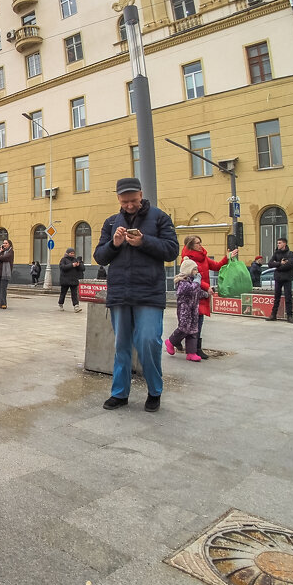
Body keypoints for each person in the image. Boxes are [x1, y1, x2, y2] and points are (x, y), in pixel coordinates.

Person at [93, 177, 180, 413]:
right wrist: (114, 244)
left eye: (133, 200)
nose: (130, 205)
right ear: (118, 199)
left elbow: (172, 250)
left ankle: (154, 391)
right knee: (121, 344)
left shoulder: (160, 218)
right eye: (124, 202)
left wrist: (144, 241)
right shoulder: (111, 222)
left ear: (141, 194)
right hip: (120, 292)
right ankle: (119, 393)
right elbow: (99, 256)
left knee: (148, 341)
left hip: (149, 291)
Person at [179, 235, 236, 358]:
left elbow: (216, 266)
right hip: (193, 294)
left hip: (203, 294)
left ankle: (186, 344)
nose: (200, 245)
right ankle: (192, 348)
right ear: (191, 245)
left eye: (200, 242)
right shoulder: (187, 260)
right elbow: (191, 277)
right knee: (194, 323)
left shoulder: (203, 257)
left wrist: (228, 257)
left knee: (197, 322)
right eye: (197, 243)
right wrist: (207, 286)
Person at [165, 257, 209, 362]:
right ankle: (170, 341)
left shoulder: (193, 281)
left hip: (193, 310)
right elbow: (190, 290)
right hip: (185, 310)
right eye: (194, 269)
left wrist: (205, 294)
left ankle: (191, 353)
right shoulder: (182, 281)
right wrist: (197, 282)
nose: (197, 272)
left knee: (193, 331)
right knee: (184, 328)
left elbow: (197, 292)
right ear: (188, 270)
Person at [267, 238, 293, 323]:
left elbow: (290, 264)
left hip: (287, 278)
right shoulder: (276, 253)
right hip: (278, 278)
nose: (278, 244)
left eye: (279, 243)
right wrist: (279, 263)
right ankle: (273, 315)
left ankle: (289, 316)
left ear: (284, 244)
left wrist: (278, 267)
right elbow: (270, 264)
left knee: (288, 297)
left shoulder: (290, 253)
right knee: (276, 297)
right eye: (278, 243)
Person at [58, 247, 85, 312]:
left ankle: (76, 306)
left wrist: (79, 265)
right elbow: (62, 267)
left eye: (73, 253)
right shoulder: (63, 260)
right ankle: (61, 304)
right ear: (67, 253)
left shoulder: (75, 260)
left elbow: (83, 268)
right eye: (71, 253)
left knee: (74, 294)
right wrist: (72, 265)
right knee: (63, 293)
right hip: (65, 280)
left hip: (74, 280)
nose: (72, 254)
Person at [0, 239, 14, 309]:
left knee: (3, 288)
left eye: (6, 243)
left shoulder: (11, 251)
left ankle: (3, 303)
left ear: (9, 244)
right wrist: (0, 251)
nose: (4, 244)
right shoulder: (2, 251)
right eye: (3, 243)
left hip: (5, 273)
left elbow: (5, 258)